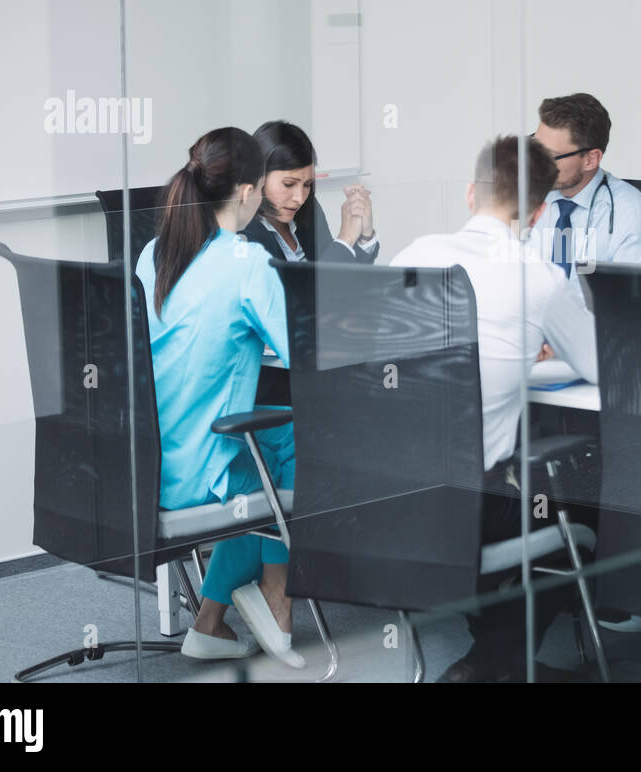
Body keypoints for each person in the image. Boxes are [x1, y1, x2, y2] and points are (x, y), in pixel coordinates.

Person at [391, 135, 598, 682]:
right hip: (470, 511)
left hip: (387, 494)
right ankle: (498, 660)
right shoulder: (539, 274)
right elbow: (603, 366)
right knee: (589, 495)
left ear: (469, 194)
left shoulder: (411, 256)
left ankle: (494, 656)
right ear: (536, 212)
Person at [134, 127, 305, 668]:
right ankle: (278, 592)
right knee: (302, 450)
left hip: (149, 466)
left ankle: (210, 621)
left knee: (273, 440)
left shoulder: (152, 253)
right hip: (203, 477)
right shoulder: (246, 262)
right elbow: (305, 355)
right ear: (251, 192)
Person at [527, 93, 641, 287]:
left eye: (550, 155)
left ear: (590, 160)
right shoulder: (524, 196)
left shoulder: (629, 213)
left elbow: (629, 302)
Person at [240, 120, 379, 265]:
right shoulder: (242, 230)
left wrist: (365, 236)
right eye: (289, 184)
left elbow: (343, 275)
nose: (300, 198)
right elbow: (309, 286)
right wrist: (346, 238)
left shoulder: (308, 209)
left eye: (308, 184)